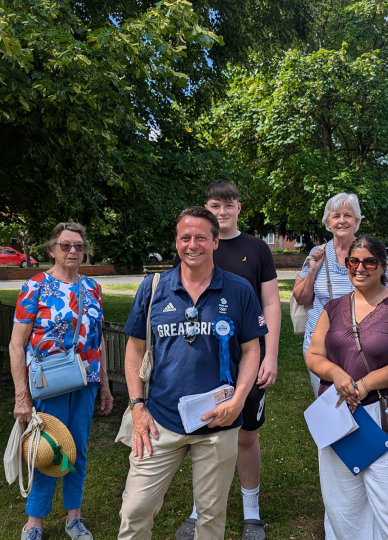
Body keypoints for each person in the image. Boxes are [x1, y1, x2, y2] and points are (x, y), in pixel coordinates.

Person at [118, 206, 268, 540]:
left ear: (216, 242)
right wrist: (137, 406)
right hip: (158, 421)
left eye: (201, 237)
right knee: (134, 510)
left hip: (219, 422)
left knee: (212, 517)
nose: (192, 244)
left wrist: (239, 400)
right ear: (176, 243)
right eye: (185, 237)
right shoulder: (154, 287)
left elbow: (250, 350)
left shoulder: (239, 289)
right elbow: (135, 349)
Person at [173, 181, 281, 540]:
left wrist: (271, 354)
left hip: (248, 358)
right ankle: (199, 509)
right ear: (206, 208)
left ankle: (252, 511)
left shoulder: (257, 247)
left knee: (246, 436)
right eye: (215, 206)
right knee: (202, 433)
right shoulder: (195, 244)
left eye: (228, 205)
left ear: (238, 208)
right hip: (204, 362)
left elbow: (270, 303)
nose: (222, 212)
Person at [10, 222, 115, 540]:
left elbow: (98, 340)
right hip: (49, 381)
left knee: (77, 450)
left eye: (79, 246)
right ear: (52, 249)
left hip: (87, 381)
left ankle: (74, 518)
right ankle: (34, 522)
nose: (73, 251)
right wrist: (21, 396)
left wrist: (106, 385)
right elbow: (17, 344)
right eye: (66, 245)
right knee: (47, 447)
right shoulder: (36, 286)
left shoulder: (93, 287)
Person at [306, 235, 388, 540]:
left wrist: (362, 385)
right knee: (341, 501)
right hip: (337, 415)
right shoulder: (334, 308)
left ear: (383, 266)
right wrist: (336, 374)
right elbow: (314, 354)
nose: (360, 268)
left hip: (382, 415)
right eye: (353, 261)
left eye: (369, 262)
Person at [292, 193, 388, 395]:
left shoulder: (371, 253)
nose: (342, 221)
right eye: (336, 216)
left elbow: (386, 297)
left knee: (362, 398)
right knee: (328, 402)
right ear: (328, 222)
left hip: (363, 343)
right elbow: (301, 298)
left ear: (356, 220)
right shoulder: (317, 252)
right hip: (320, 344)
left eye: (348, 215)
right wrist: (312, 270)